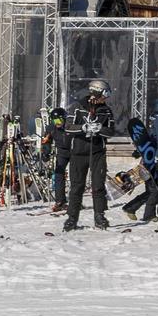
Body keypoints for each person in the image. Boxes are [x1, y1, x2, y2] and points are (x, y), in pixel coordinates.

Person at [62, 80, 116, 231]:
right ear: (97, 92)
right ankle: (72, 218)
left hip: (98, 152)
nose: (106, 98)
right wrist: (83, 127)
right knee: (76, 187)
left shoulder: (106, 110)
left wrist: (100, 129)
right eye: (105, 94)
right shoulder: (78, 107)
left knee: (98, 185)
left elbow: (111, 131)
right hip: (79, 152)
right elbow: (68, 127)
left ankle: (99, 215)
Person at [42, 106, 69, 214]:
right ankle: (60, 201)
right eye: (55, 120)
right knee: (58, 174)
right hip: (62, 152)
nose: (57, 123)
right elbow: (46, 141)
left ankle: (76, 200)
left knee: (77, 176)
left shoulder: (70, 126)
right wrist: (46, 152)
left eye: (59, 120)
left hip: (75, 151)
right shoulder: (51, 128)